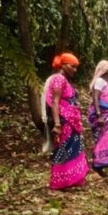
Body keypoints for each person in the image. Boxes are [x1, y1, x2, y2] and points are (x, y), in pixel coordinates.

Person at [45, 53, 89, 190]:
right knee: (64, 148)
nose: (75, 70)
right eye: (72, 66)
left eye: (76, 67)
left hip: (71, 120)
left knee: (73, 147)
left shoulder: (65, 79)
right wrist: (57, 124)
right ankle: (61, 181)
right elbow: (55, 102)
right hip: (64, 120)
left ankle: (71, 179)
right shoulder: (59, 79)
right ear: (63, 65)